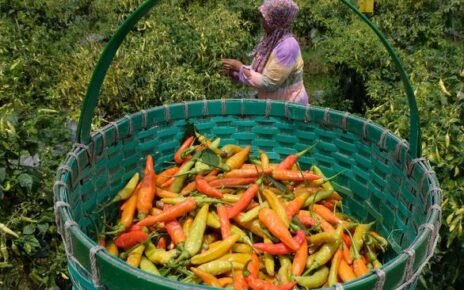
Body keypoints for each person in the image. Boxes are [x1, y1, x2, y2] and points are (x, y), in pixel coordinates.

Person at [222, 0, 309, 105]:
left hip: (291, 109)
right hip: (274, 106)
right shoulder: (271, 40)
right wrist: (235, 73)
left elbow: (269, 83)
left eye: (266, 18)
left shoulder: (288, 47)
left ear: (276, 20)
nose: (263, 21)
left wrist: (240, 68)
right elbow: (259, 72)